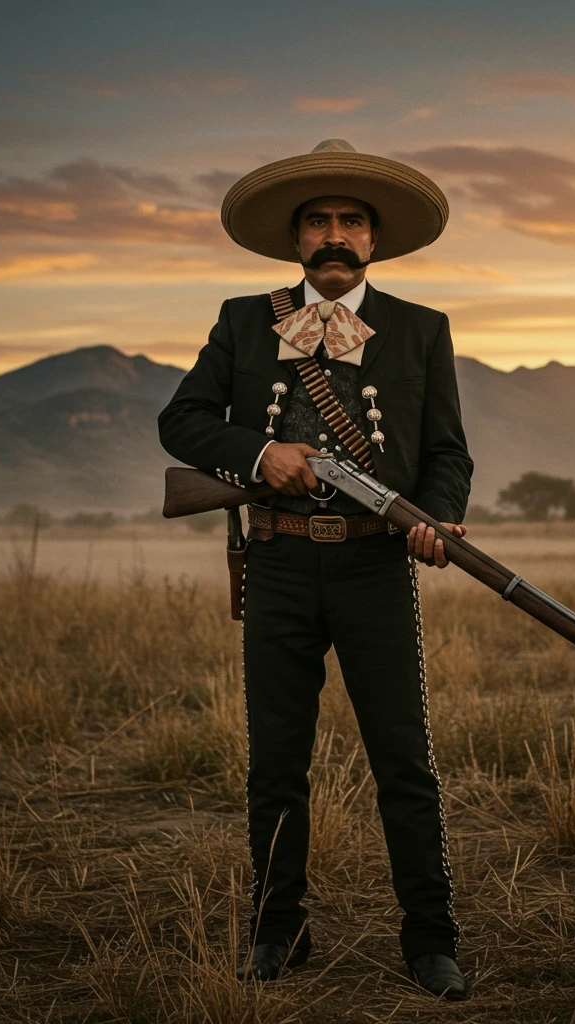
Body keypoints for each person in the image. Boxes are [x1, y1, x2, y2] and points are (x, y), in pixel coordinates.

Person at [158, 139, 473, 1000]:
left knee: (404, 760)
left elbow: (447, 453)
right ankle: (276, 931)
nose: (335, 236)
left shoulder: (421, 329)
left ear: (374, 240)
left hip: (376, 567)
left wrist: (437, 516)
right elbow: (180, 422)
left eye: (351, 222)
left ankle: (430, 937)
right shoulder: (240, 320)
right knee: (275, 763)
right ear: (297, 239)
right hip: (281, 566)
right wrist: (261, 453)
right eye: (318, 222)